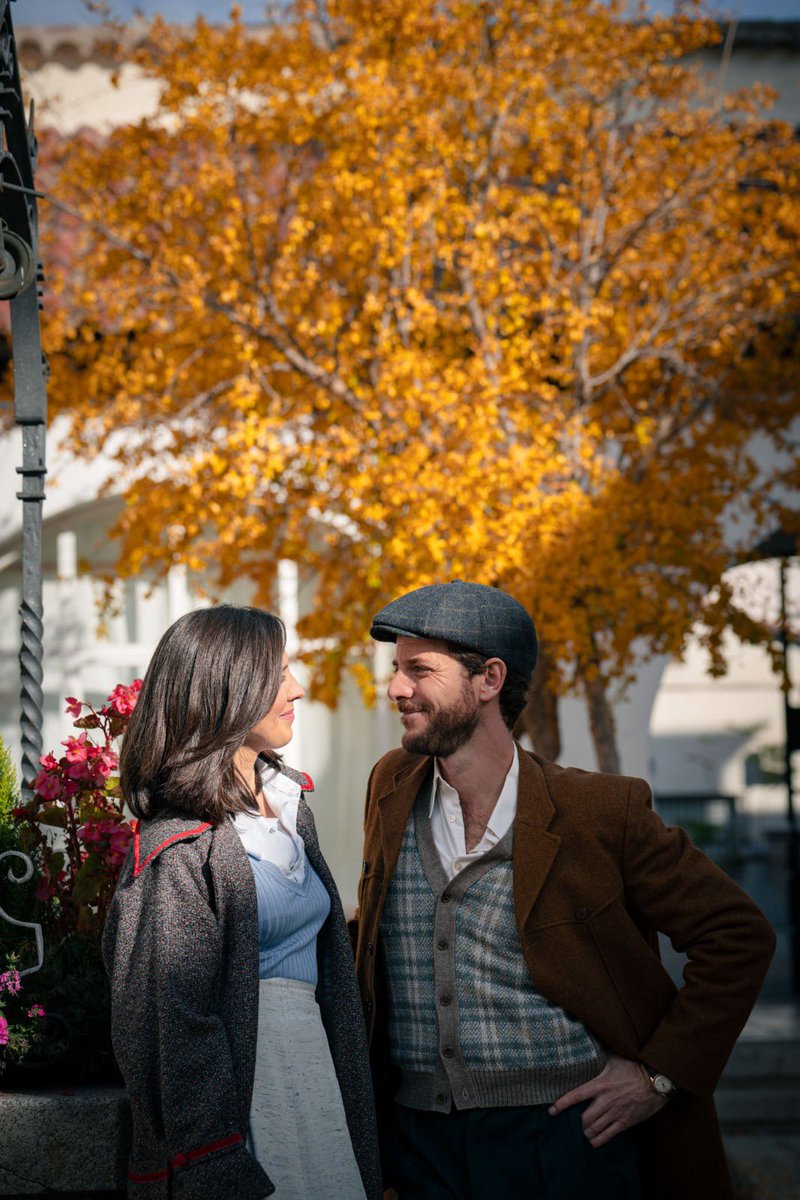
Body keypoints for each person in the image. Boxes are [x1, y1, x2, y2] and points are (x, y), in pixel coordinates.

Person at [354, 580, 775, 1200]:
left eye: (419, 669)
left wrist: (659, 1075)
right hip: (420, 1145)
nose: (395, 688)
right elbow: (376, 933)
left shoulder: (599, 811)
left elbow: (738, 936)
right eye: (397, 669)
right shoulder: (391, 784)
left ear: (489, 679)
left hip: (562, 1142)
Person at [103, 605, 382, 1200]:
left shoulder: (287, 804)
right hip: (248, 1095)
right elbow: (171, 1019)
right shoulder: (179, 847)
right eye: (278, 674)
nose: (297, 689)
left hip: (315, 1073)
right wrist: (216, 1163)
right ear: (228, 688)